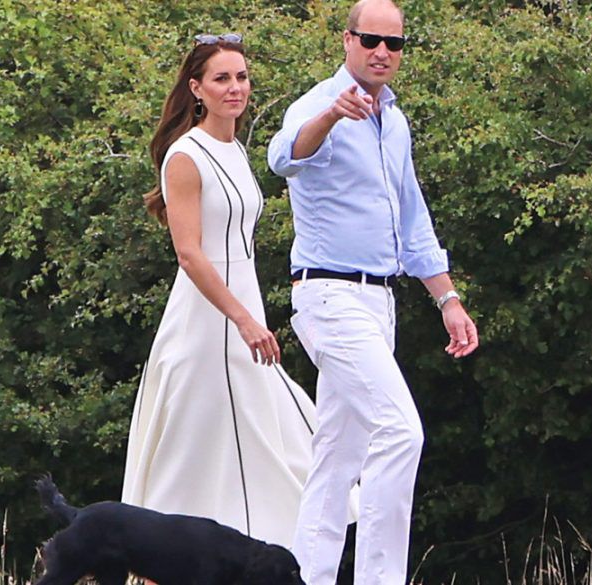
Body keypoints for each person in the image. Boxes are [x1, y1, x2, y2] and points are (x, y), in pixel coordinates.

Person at [267, 0, 480, 583]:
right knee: (400, 431)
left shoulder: (396, 119)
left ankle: (306, 577)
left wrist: (448, 299)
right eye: (370, 40)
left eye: (394, 43)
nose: (382, 52)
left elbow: (412, 219)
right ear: (347, 40)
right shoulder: (318, 106)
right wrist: (333, 116)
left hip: (379, 302)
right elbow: (283, 156)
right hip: (329, 298)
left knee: (338, 457)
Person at [121, 33, 318, 548]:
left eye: (242, 77)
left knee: (282, 439)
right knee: (194, 453)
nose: (235, 88)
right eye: (222, 78)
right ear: (197, 89)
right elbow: (189, 253)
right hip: (207, 322)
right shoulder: (185, 156)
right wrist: (244, 319)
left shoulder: (234, 149)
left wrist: (251, 315)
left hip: (243, 309)